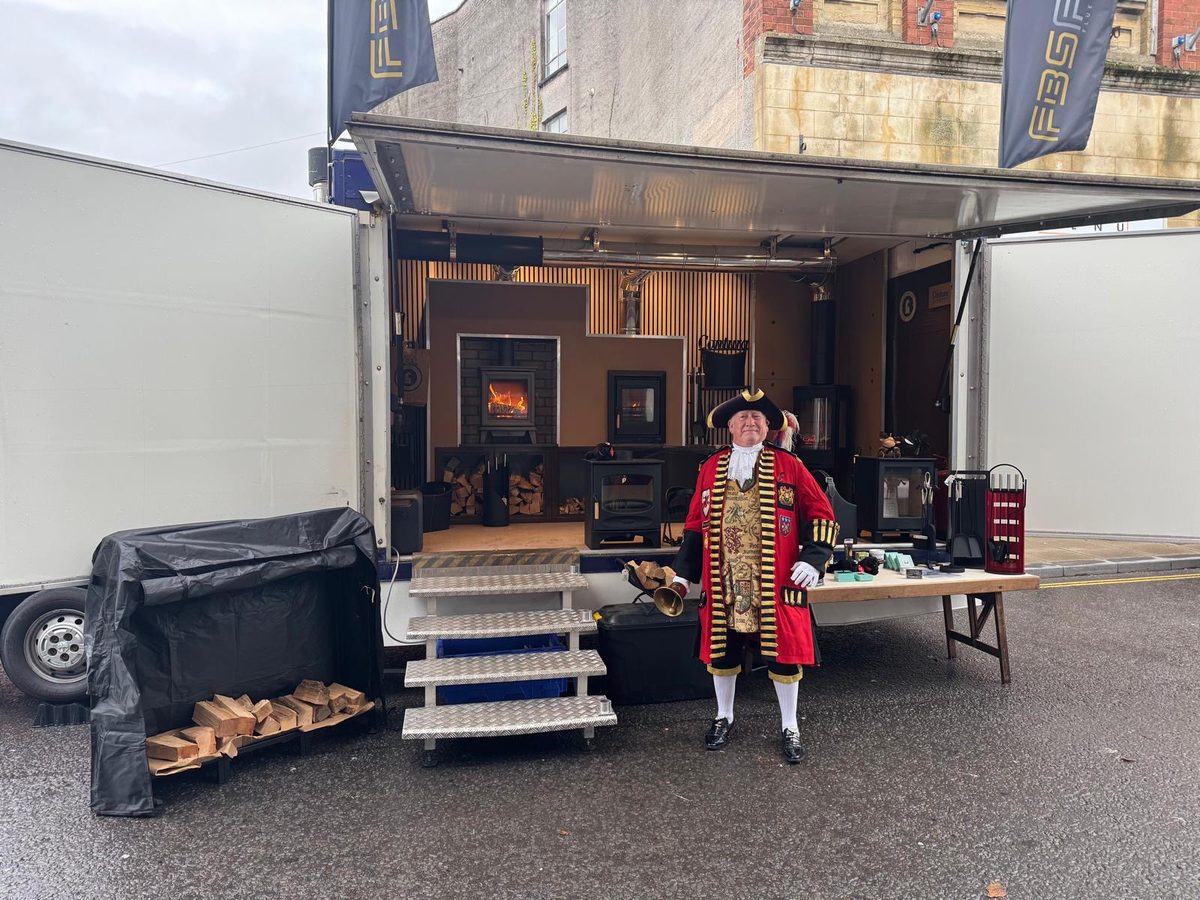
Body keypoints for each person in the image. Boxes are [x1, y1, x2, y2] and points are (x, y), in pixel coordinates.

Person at [670, 388, 838, 763]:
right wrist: (683, 576)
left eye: (757, 419)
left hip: (775, 582)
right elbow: (695, 524)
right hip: (724, 579)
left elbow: (822, 514)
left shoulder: (789, 465)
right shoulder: (711, 467)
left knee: (784, 656)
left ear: (768, 427)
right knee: (722, 651)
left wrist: (813, 559)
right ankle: (724, 716)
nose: (750, 423)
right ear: (729, 426)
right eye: (743, 418)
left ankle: (790, 725)